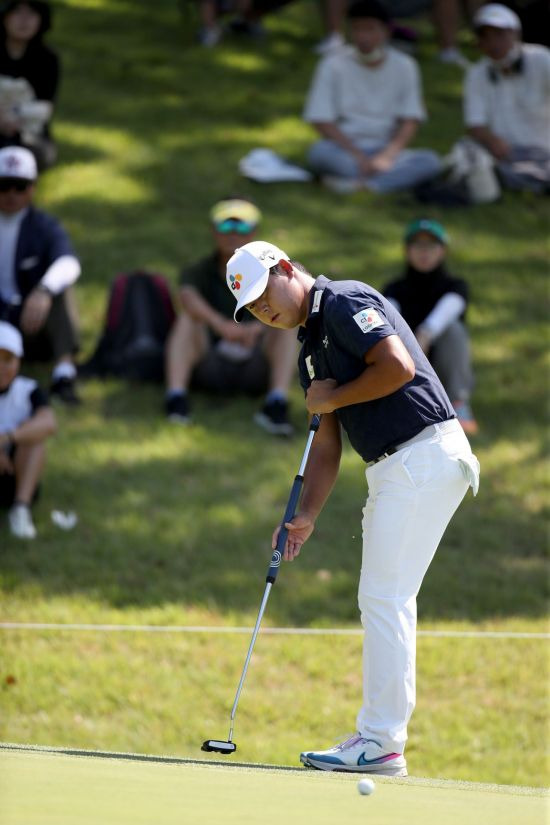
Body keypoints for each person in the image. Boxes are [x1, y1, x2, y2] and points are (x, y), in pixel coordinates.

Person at [225, 239, 479, 775]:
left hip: (423, 453)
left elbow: (397, 367)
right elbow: (326, 444)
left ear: (286, 268)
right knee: (386, 598)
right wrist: (308, 514)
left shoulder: (343, 300)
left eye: (262, 294)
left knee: (384, 597)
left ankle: (381, 742)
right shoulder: (309, 349)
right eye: (250, 309)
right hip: (397, 466)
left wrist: (331, 397)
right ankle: (381, 739)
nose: (261, 310)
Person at [164, 197, 297, 435]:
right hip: (211, 360)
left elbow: (292, 306)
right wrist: (221, 325)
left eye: (242, 226)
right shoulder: (199, 270)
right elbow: (187, 297)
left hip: (257, 359)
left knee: (289, 327)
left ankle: (276, 403)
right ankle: (176, 400)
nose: (233, 233)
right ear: (213, 231)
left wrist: (257, 328)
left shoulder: (274, 269)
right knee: (187, 319)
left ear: (255, 231)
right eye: (225, 226)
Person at [303, 0, 442, 194]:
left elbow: (411, 119)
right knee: (318, 153)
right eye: (357, 29)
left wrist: (387, 156)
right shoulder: (333, 64)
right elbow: (321, 119)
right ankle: (378, 183)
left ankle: (364, 186)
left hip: (386, 149)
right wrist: (357, 155)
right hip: (344, 148)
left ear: (386, 31)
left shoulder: (405, 66)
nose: (363, 37)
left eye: (370, 29)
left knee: (430, 161)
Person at [0, 145, 82, 404]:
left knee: (60, 288)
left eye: (20, 186)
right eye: (4, 185)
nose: (12, 194)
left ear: (33, 187)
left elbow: (69, 262)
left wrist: (43, 290)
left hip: (31, 321)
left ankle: (64, 373)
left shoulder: (44, 226)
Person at [383, 218, 478, 434]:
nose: (424, 252)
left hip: (441, 366)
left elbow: (450, 308)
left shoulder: (455, 286)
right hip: (406, 366)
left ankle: (458, 403)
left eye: (431, 245)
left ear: (442, 251)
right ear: (407, 251)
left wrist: (425, 334)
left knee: (454, 330)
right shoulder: (394, 290)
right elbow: (389, 318)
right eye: (417, 245)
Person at [463, 3, 550, 193]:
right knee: (466, 152)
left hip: (544, 151)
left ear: (516, 35)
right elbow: (475, 124)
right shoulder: (476, 73)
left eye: (500, 35)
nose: (493, 43)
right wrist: (491, 139)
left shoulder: (542, 59)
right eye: (485, 37)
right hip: (503, 154)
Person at [0, 321, 56, 538]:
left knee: (34, 439)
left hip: (14, 470)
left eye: (8, 359)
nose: (2, 367)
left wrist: (7, 438)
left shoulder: (29, 390)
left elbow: (48, 423)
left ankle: (21, 508)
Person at [0, 0, 59, 169]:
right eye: (18, 12)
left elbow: (45, 106)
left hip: (29, 133)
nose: (24, 20)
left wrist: (13, 119)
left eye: (31, 14)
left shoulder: (48, 60)